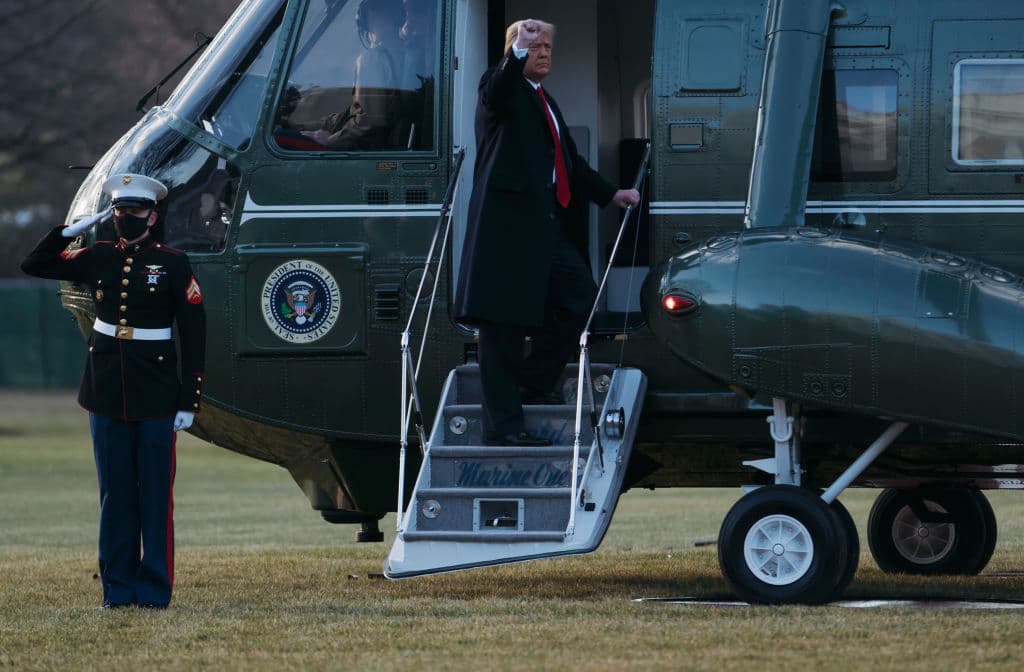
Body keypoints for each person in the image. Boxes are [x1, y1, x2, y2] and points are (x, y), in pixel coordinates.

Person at [21, 173, 206, 609]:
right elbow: (35, 264)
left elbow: (194, 335)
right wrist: (70, 232)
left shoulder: (174, 263)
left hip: (157, 394)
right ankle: (117, 590)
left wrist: (188, 400)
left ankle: (154, 591)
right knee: (115, 498)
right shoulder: (97, 255)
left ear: (152, 215)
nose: (126, 219)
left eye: (135, 212)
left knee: (155, 498)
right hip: (105, 391)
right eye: (120, 212)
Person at [453, 19, 640, 446]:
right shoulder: (499, 86)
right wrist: (514, 51)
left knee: (580, 298)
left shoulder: (545, 100)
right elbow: (497, 91)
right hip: (504, 230)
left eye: (548, 48)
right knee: (501, 328)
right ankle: (504, 428)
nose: (543, 53)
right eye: (533, 47)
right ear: (514, 50)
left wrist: (614, 194)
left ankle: (531, 381)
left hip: (542, 230)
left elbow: (571, 163)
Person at [300, 0, 404, 150]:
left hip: (368, 151)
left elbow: (367, 122)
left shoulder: (372, 60)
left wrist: (329, 141)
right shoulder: (408, 53)